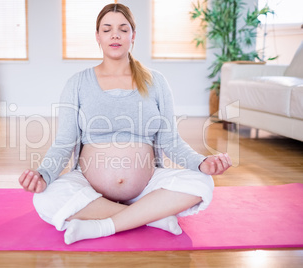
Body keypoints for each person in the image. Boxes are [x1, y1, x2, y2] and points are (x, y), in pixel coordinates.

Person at [19, 3, 231, 245]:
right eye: (107, 29)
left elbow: (170, 140)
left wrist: (201, 163)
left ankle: (103, 225)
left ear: (133, 35)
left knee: (202, 182)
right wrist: (44, 175)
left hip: (147, 186)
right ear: (97, 37)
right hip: (89, 185)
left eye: (123, 28)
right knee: (44, 197)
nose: (115, 35)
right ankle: (152, 217)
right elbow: (64, 142)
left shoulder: (156, 81)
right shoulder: (77, 83)